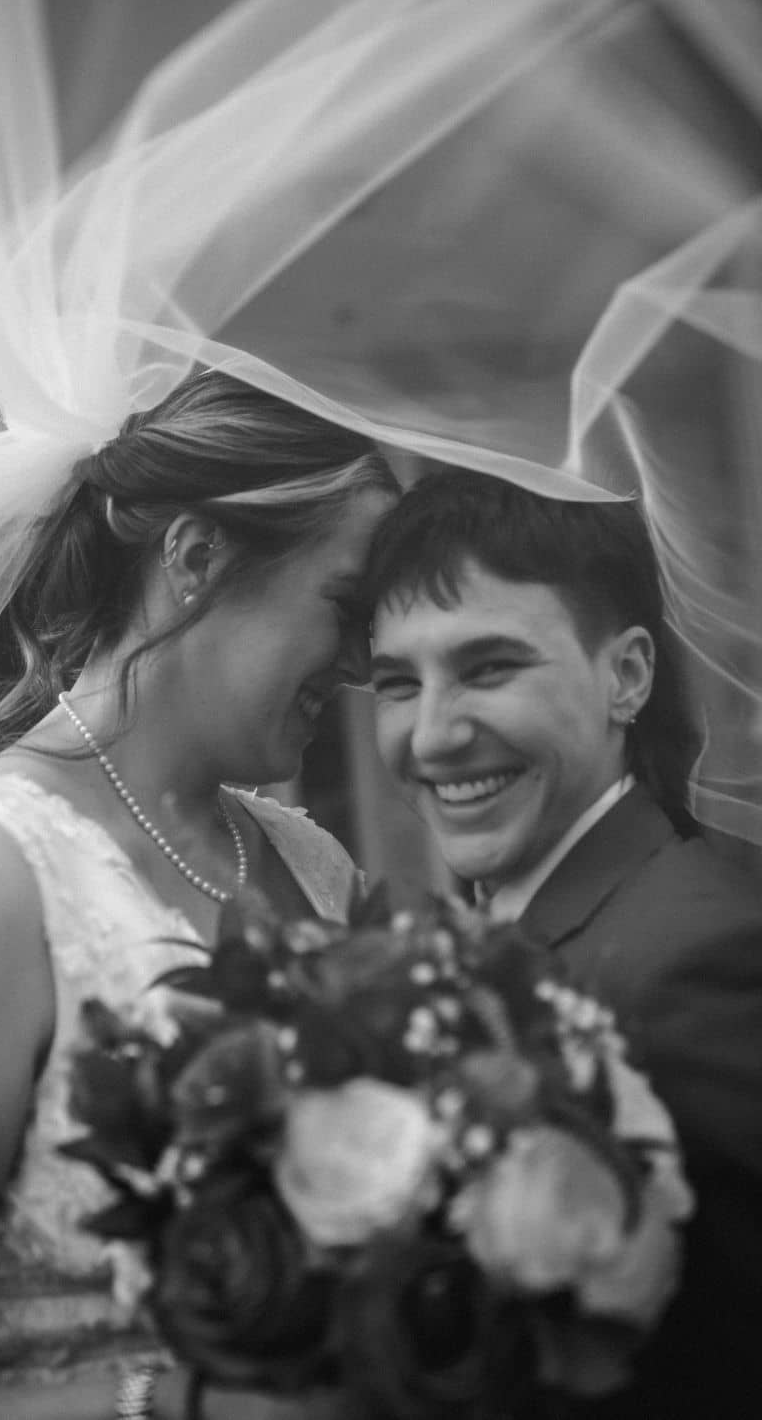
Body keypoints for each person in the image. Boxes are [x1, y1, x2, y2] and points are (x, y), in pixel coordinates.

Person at [0, 368, 397, 1420]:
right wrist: (164, 1407)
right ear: (194, 555)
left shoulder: (307, 860)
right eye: (345, 606)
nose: (366, 666)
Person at [365, 466, 762, 1419]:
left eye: (489, 669)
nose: (431, 736)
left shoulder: (699, 960)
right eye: (394, 683)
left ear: (626, 674)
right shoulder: (489, 930)